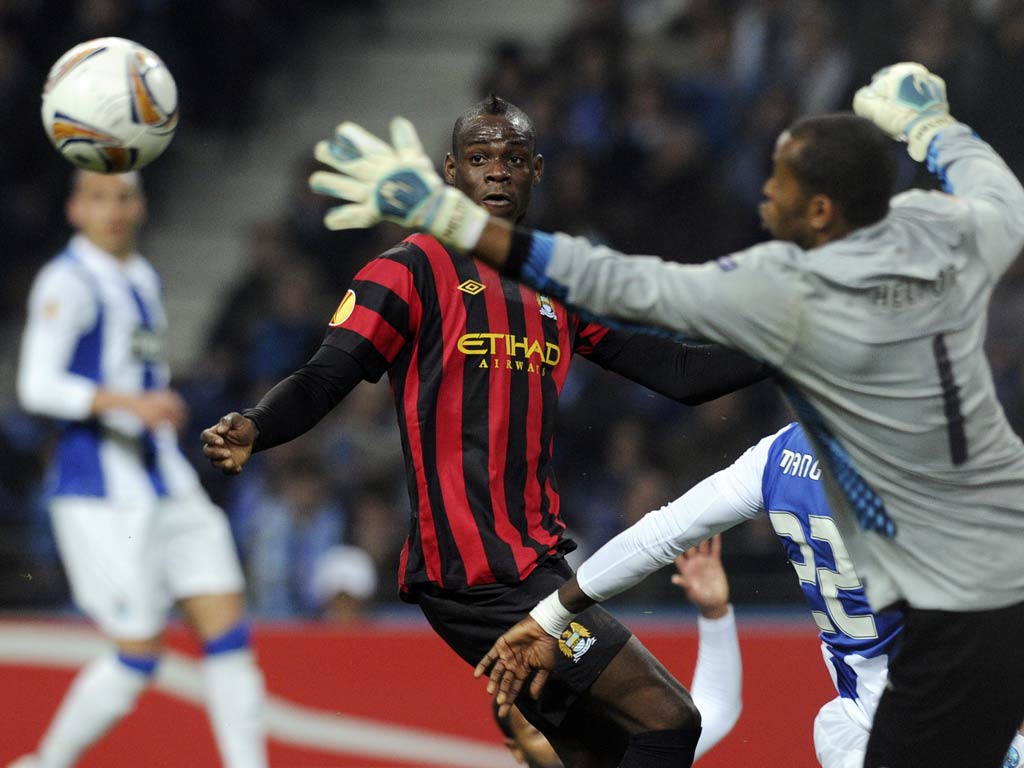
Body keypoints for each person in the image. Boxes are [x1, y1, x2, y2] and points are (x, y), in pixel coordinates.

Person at [304, 63, 1024, 767]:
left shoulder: (779, 438)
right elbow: (1002, 201)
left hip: (881, 728)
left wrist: (448, 219)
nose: (764, 197)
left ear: (821, 213)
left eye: (780, 185)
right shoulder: (954, 259)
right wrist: (935, 129)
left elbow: (614, 286)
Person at [203, 95, 767, 768]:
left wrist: (792, 348)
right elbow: (327, 375)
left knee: (602, 754)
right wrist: (258, 426)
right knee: (668, 721)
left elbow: (680, 374)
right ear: (451, 172)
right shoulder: (408, 270)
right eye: (479, 158)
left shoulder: (559, 285)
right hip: (477, 577)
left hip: (537, 566)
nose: (496, 172)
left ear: (536, 171)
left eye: (513, 159)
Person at [14, 171, 267, 768]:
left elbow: (136, 371)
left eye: (124, 196)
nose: (114, 209)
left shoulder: (142, 276)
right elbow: (36, 383)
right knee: (137, 657)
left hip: (164, 479)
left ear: (142, 204)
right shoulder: (67, 281)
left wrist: (164, 399)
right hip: (102, 492)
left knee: (229, 630)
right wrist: (131, 404)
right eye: (98, 197)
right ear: (75, 208)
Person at [493, 537, 741, 768]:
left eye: (566, 722)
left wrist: (714, 613)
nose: (557, 739)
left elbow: (715, 706)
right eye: (540, 731)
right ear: (516, 750)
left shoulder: (633, 756)